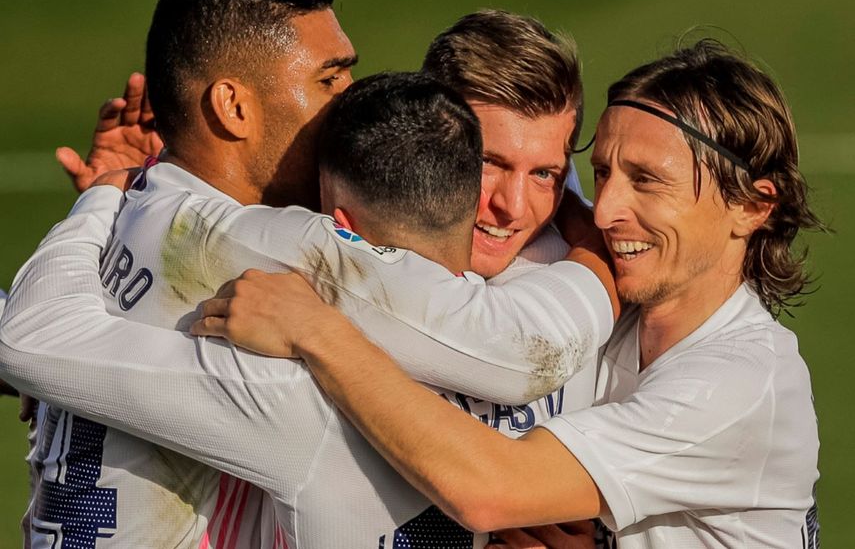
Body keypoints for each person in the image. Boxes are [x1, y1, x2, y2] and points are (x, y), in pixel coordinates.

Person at [191, 40, 824, 548]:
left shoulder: (741, 383)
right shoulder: (617, 309)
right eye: (603, 173)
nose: (606, 211)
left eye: (646, 182)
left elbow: (489, 489)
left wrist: (315, 332)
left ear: (751, 205)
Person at [18, 6, 611, 546]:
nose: (512, 205)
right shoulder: (286, 309)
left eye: (546, 174)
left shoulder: (287, 299)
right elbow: (514, 351)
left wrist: (130, 202)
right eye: (488, 164)